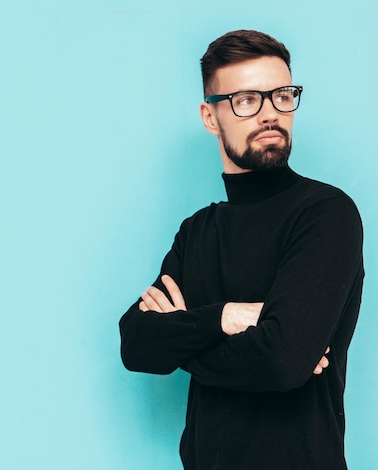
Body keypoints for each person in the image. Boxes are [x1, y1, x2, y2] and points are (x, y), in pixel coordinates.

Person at [119, 29, 364, 470]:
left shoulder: (326, 214)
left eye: (282, 95)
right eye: (247, 100)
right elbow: (136, 344)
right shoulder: (197, 232)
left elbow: (282, 363)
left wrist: (183, 336)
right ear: (210, 117)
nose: (270, 114)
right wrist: (225, 317)